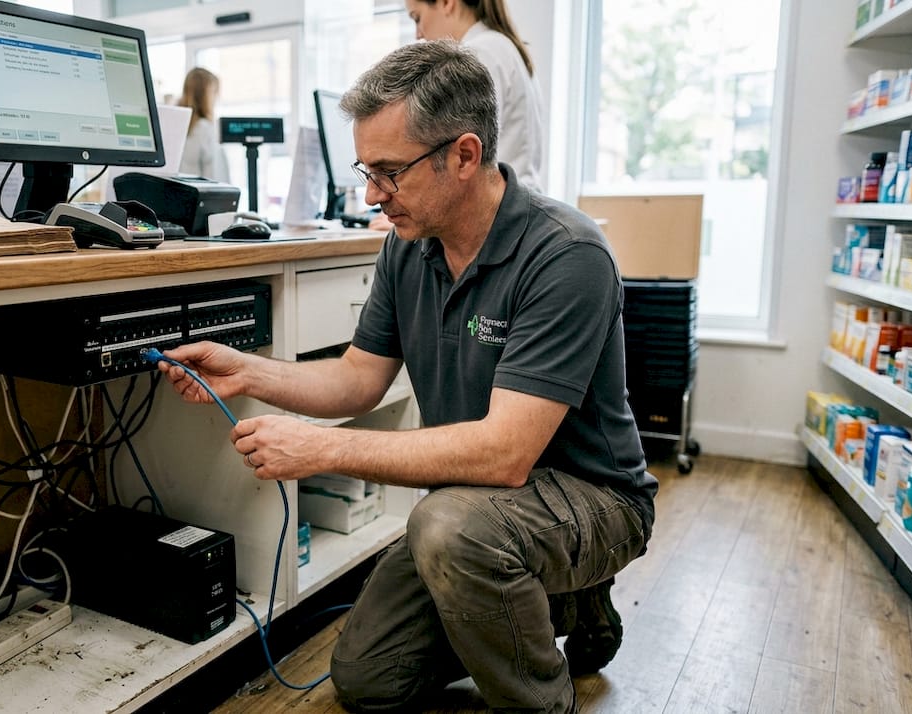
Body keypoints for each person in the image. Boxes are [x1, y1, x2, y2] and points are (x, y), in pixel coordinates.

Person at [158, 40, 655, 713]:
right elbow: (359, 380)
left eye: (389, 172)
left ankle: (545, 691)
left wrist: (323, 449)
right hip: (484, 506)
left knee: (450, 529)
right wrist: (246, 370)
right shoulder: (407, 246)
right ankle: (560, 600)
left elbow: (507, 455)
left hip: (594, 499)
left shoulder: (566, 256)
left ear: (465, 155)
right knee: (367, 677)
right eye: (367, 170)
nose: (371, 195)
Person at [368, 0, 543, 233]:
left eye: (417, 17)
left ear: (447, 3)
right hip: (517, 210)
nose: (418, 34)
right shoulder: (504, 48)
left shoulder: (479, 55)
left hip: (496, 219)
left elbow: (457, 157)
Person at [176, 68, 230, 183]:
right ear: (205, 95)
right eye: (214, 92)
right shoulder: (205, 128)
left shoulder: (177, 127)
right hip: (202, 197)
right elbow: (215, 176)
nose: (216, 98)